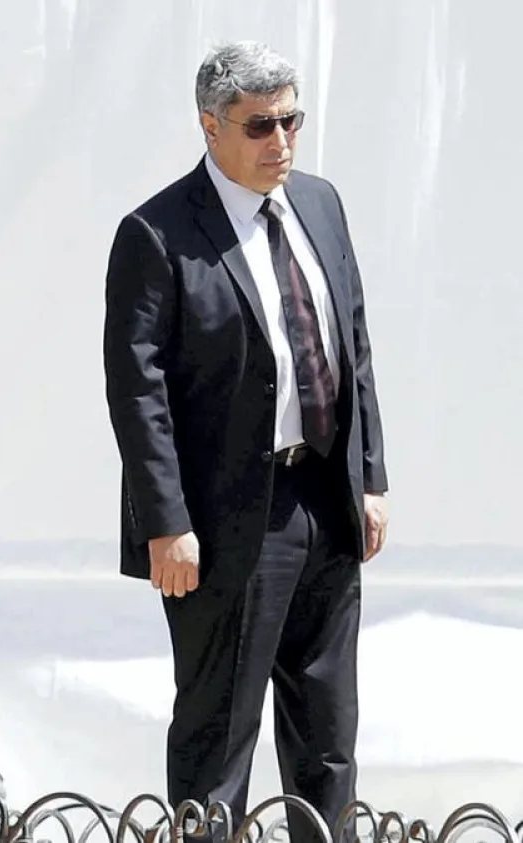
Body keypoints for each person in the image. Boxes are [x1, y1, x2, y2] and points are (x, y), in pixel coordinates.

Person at [102, 41, 390, 843]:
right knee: (217, 734)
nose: (282, 142)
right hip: (223, 520)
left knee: (328, 735)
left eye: (292, 120)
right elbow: (138, 393)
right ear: (210, 126)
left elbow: (353, 345)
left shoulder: (321, 204)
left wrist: (370, 475)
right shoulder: (156, 234)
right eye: (260, 126)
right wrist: (166, 521)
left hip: (324, 502)